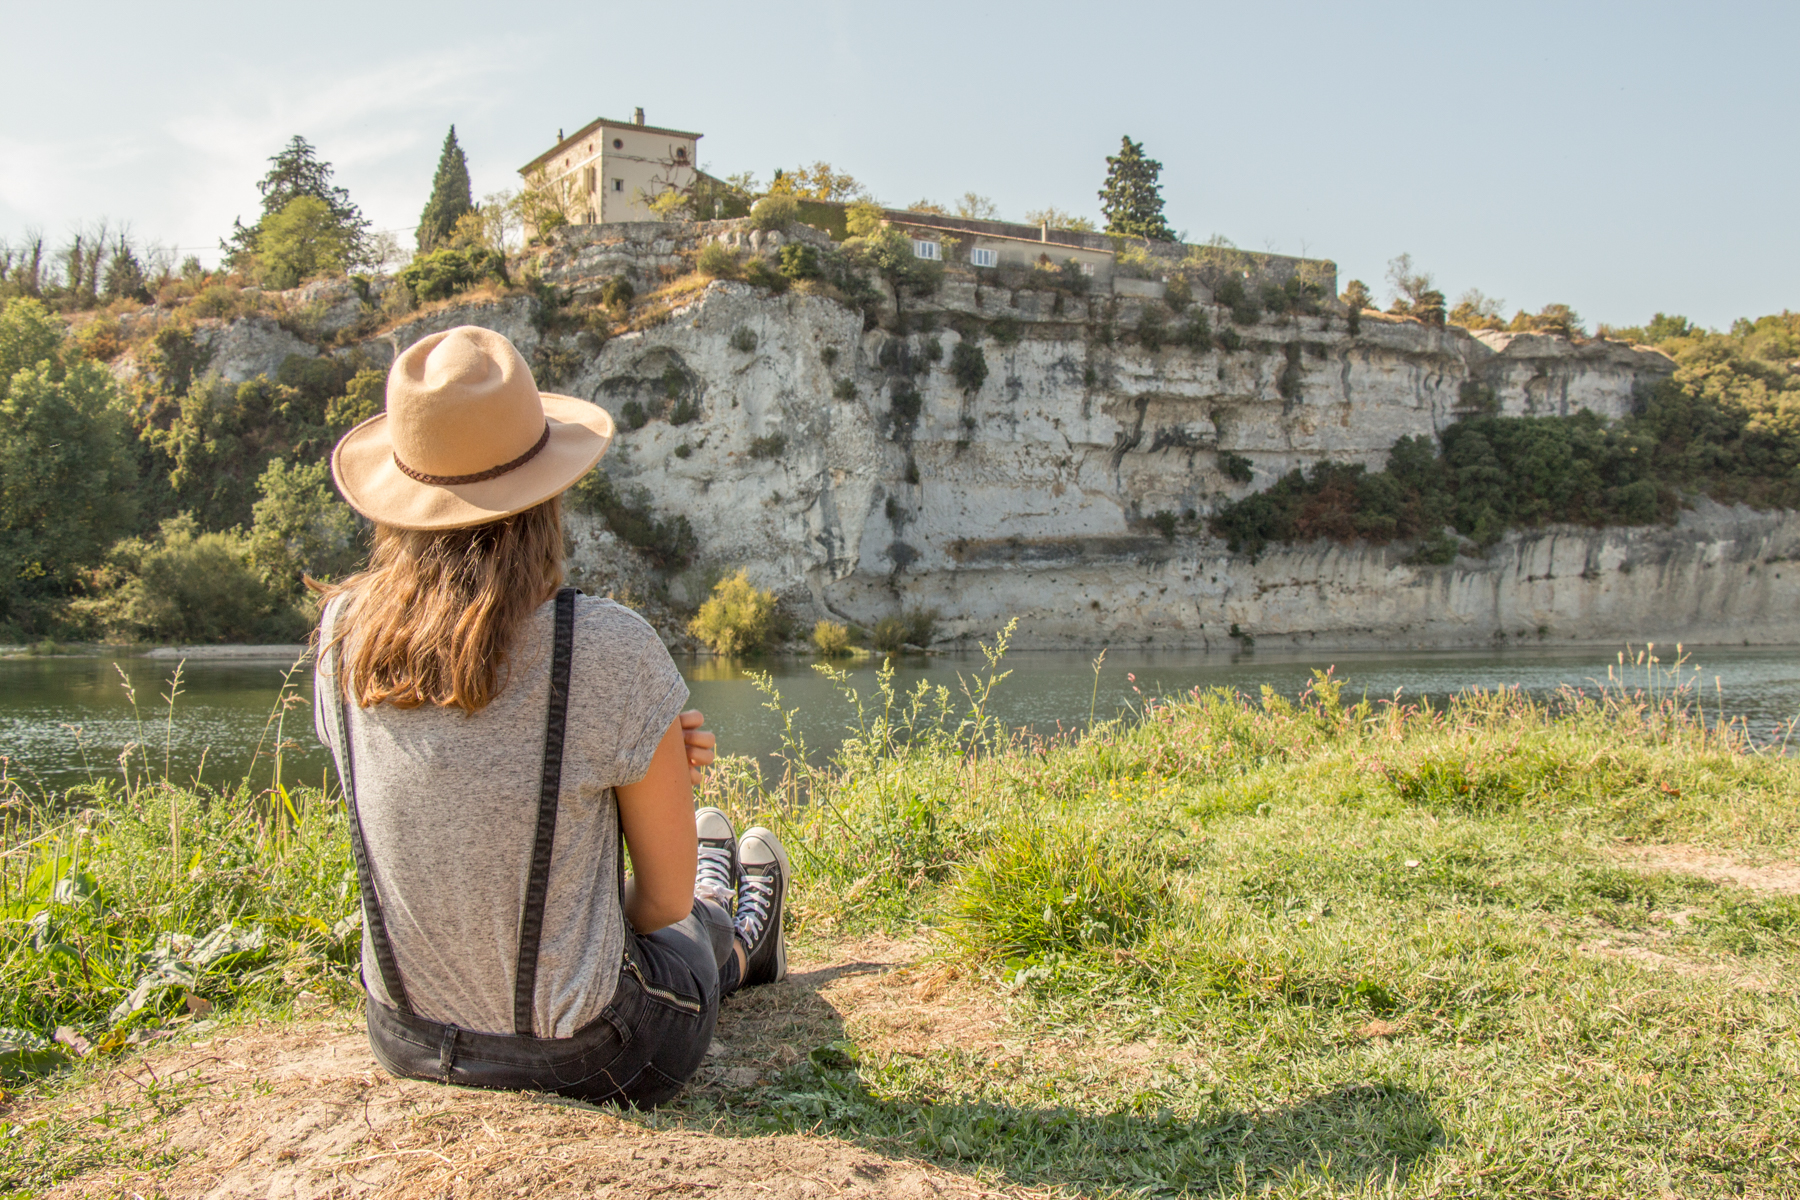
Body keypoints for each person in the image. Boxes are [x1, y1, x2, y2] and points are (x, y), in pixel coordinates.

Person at [312, 325, 789, 1106]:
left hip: (404, 1034)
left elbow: (455, 793)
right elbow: (653, 908)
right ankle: (739, 940)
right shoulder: (606, 647)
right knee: (684, 930)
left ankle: (723, 900)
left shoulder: (342, 639)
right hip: (592, 1054)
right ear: (546, 493)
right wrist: (644, 772)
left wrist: (636, 758)